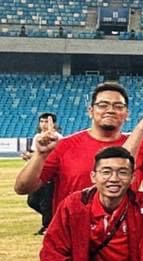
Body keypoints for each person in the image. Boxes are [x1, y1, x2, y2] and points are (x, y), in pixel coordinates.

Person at [15, 81, 134, 212]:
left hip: (124, 224)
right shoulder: (64, 145)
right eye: (103, 105)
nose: (110, 110)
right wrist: (40, 155)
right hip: (73, 223)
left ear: (127, 114)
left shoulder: (140, 145)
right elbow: (22, 188)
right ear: (90, 111)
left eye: (118, 106)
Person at [24, 111, 58, 233]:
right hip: (38, 173)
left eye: (46, 121)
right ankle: (54, 220)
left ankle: (47, 226)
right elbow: (37, 154)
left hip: (50, 174)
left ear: (53, 124)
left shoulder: (58, 137)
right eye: (41, 121)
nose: (43, 124)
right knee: (32, 201)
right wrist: (29, 156)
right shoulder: (37, 137)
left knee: (46, 202)